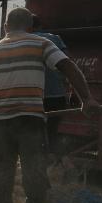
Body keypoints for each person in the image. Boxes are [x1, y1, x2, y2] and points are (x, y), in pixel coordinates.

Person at [0, 8, 99, 203]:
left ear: (5, 27)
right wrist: (86, 99)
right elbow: (68, 67)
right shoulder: (41, 43)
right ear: (30, 27)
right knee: (35, 181)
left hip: (0, 126)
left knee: (1, 182)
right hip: (30, 122)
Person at [30, 21, 68, 157]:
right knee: (52, 131)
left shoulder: (25, 40)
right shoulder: (55, 38)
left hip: (33, 97)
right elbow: (66, 63)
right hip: (56, 96)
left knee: (34, 132)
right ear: (40, 26)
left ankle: (41, 159)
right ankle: (58, 161)